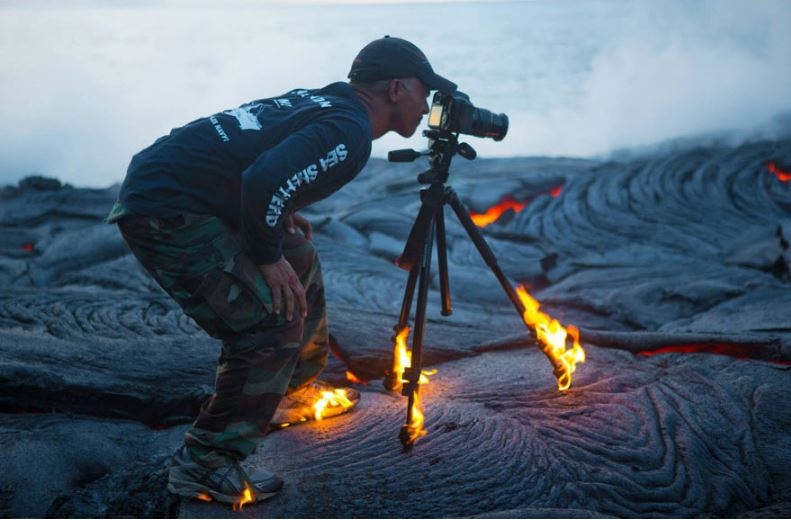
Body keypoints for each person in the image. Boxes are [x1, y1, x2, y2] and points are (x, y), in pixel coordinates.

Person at [107, 35, 456, 506]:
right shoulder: (349, 130)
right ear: (396, 88)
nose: (428, 101)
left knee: (300, 255)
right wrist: (266, 256)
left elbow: (260, 157)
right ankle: (204, 462)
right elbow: (262, 178)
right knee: (269, 322)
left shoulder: (329, 99)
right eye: (424, 89)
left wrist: (277, 216)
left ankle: (288, 390)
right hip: (166, 209)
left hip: (180, 187)